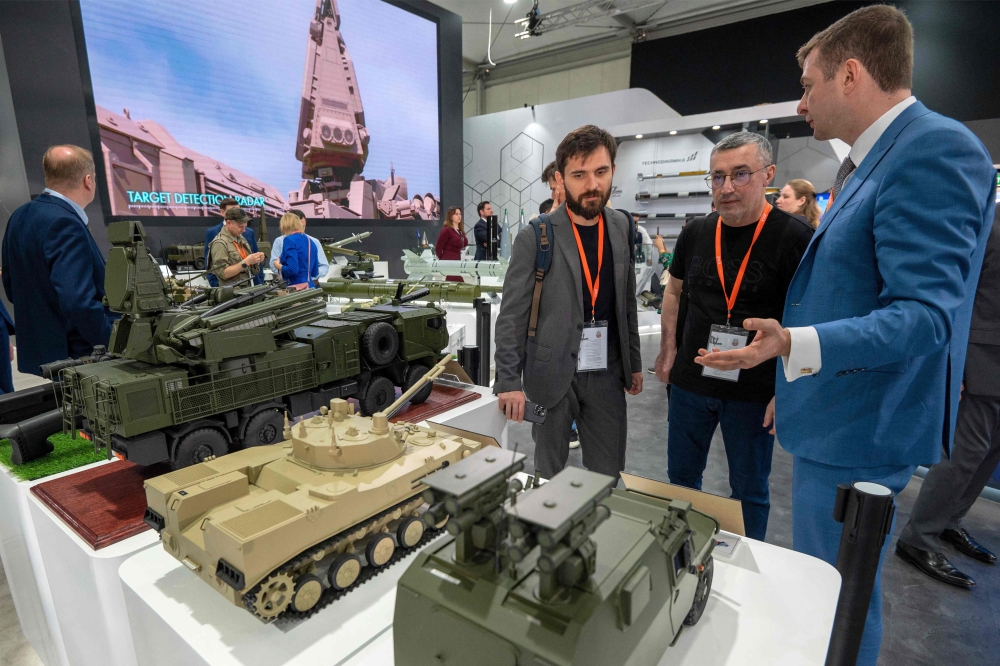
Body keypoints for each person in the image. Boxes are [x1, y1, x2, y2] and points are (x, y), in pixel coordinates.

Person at [693, 8, 995, 665]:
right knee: (828, 591)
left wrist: (796, 344)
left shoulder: (931, 150)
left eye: (809, 84)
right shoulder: (873, 159)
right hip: (843, 420)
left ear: (851, 74)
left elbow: (925, 315)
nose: (801, 102)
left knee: (836, 600)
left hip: (863, 423)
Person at [652, 132, 814, 541]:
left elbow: (809, 315)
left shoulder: (794, 237)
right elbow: (673, 289)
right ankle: (680, 556)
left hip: (755, 390)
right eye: (718, 177)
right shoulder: (697, 232)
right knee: (681, 479)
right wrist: (668, 349)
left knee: (749, 490)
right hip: (691, 380)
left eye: (740, 175)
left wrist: (788, 388)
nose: (726, 188)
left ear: (768, 175)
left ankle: (748, 568)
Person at [494, 124, 643, 479]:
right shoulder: (536, 235)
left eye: (600, 172)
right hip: (550, 373)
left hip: (607, 372)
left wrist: (634, 361)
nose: (592, 185)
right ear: (561, 179)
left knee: (607, 471)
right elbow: (512, 315)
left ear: (613, 172)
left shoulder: (622, 226)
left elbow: (627, 301)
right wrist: (509, 381)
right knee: (548, 471)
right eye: (579, 174)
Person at [896, 207, 1000, 587]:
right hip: (978, 356)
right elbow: (960, 291)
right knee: (965, 452)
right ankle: (918, 537)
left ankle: (949, 522)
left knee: (989, 452)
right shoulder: (989, 222)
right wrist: (953, 362)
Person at [2, 145, 115, 375]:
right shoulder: (66, 223)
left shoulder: (19, 216)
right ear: (88, 181)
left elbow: (12, 288)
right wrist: (114, 342)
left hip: (44, 354)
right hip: (80, 359)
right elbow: (79, 303)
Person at [204, 197, 263, 287]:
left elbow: (248, 263)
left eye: (244, 226)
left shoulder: (241, 239)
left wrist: (256, 260)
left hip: (248, 288)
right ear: (229, 223)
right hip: (233, 293)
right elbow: (223, 272)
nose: (244, 230)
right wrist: (246, 262)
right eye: (240, 226)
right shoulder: (219, 242)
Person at [269, 209, 330, 279]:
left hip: (306, 284)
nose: (301, 230)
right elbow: (273, 265)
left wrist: (281, 267)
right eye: (298, 226)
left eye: (303, 226)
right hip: (292, 284)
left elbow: (323, 266)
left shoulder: (313, 241)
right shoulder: (280, 241)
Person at [275, 212, 319, 289]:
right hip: (311, 288)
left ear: (285, 225)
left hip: (296, 290)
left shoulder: (289, 240)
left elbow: (293, 270)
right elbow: (315, 272)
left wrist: (279, 266)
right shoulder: (311, 241)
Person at [435, 207, 469, 283]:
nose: (459, 216)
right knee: (456, 283)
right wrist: (444, 260)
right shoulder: (447, 230)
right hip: (449, 262)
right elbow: (438, 248)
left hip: (459, 262)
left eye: (460, 214)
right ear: (450, 216)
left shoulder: (460, 231)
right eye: (456, 214)